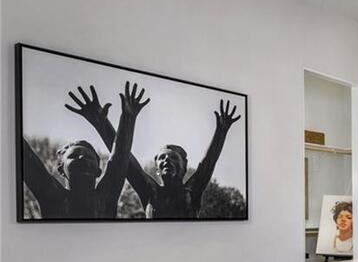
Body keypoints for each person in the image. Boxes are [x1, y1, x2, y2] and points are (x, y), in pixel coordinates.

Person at [65, 85, 241, 218]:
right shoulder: (150, 191)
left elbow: (208, 162)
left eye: (173, 158)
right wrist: (101, 123)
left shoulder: (192, 191)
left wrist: (221, 131)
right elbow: (124, 157)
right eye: (162, 158)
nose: (167, 161)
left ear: (184, 166)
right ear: (156, 169)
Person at [23, 81, 149, 219]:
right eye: (74, 156)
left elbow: (120, 156)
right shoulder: (52, 196)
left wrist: (128, 118)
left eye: (89, 157)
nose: (82, 158)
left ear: (98, 171)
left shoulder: (106, 197)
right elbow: (26, 158)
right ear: (60, 169)